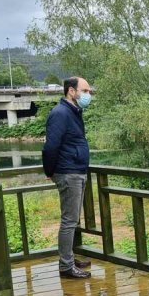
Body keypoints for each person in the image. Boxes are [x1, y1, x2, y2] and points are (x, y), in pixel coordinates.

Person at [42, 76, 94, 279]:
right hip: (68, 172)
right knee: (69, 220)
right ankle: (66, 266)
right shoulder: (61, 113)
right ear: (71, 91)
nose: (88, 95)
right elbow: (51, 146)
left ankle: (69, 258)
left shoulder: (73, 112)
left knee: (73, 219)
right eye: (85, 90)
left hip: (76, 170)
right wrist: (50, 171)